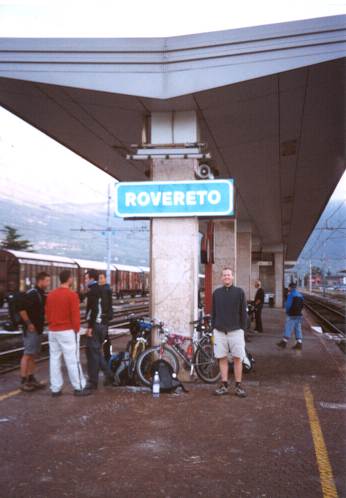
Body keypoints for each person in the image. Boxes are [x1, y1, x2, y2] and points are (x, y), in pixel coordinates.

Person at [46, 270, 91, 396]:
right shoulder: (72, 295)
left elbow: (48, 314)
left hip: (53, 331)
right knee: (72, 359)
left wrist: (52, 324)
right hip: (67, 331)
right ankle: (79, 387)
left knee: (54, 359)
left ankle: (55, 389)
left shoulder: (51, 295)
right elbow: (75, 316)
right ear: (69, 279)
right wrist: (76, 329)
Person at [212, 267, 248, 398]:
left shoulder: (239, 292)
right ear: (221, 278)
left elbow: (243, 313)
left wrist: (243, 329)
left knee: (238, 358)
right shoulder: (216, 293)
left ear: (232, 277)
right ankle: (224, 385)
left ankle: (238, 386)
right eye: (224, 275)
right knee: (222, 358)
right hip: (220, 332)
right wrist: (213, 328)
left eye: (229, 275)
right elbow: (213, 313)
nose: (226, 277)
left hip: (236, 331)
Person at [18, 272, 50, 392]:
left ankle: (31, 378)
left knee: (33, 354)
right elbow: (21, 309)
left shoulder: (40, 294)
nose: (48, 283)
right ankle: (23, 380)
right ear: (40, 281)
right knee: (27, 354)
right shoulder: (32, 294)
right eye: (47, 281)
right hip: (31, 329)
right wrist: (29, 324)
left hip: (38, 329)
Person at [85, 269, 113, 389]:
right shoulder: (103, 290)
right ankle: (109, 375)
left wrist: (90, 327)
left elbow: (95, 310)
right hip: (102, 325)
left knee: (93, 354)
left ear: (91, 278)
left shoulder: (94, 291)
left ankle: (93, 382)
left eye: (86, 278)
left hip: (96, 325)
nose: (85, 280)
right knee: (95, 352)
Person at [277, 282, 304, 350]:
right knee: (298, 328)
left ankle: (284, 342)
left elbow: (288, 305)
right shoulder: (300, 295)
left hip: (292, 314)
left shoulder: (291, 294)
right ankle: (299, 343)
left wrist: (287, 311)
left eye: (289, 287)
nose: (288, 288)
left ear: (290, 287)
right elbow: (302, 305)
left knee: (288, 327)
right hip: (299, 315)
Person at [98, 272, 113, 362]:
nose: (100, 280)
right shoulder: (104, 288)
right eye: (99, 278)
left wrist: (105, 314)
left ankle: (106, 356)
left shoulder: (106, 289)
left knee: (104, 337)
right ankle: (107, 355)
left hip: (104, 316)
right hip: (105, 316)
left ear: (105, 279)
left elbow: (106, 304)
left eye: (101, 278)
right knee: (105, 336)